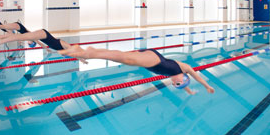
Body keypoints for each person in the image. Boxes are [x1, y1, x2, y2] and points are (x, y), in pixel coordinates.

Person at [59, 45, 215, 95]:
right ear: (184, 78)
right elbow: (197, 78)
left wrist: (189, 91)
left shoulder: (178, 77)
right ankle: (90, 53)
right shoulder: (185, 68)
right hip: (155, 59)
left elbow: (183, 84)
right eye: (178, 83)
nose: (174, 83)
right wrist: (207, 86)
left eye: (175, 85)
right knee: (123, 58)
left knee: (121, 57)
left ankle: (89, 51)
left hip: (150, 62)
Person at [0, 27, 89, 64]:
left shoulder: (60, 50)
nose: (63, 55)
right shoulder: (64, 46)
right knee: (22, 37)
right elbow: (73, 50)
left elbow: (41, 42)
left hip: (42, 37)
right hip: (44, 34)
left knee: (22, 36)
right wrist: (81, 59)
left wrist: (45, 47)